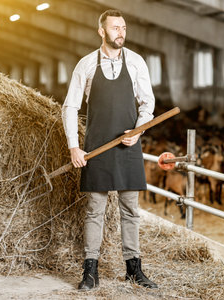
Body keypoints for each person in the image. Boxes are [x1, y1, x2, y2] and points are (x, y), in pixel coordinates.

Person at [61, 9, 157, 290]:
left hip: (128, 146)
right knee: (94, 210)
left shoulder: (137, 62)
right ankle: (90, 270)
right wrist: (74, 147)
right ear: (101, 31)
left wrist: (137, 131)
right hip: (98, 147)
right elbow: (70, 107)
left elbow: (147, 105)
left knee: (130, 209)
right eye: (115, 28)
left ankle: (134, 269)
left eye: (123, 27)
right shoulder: (87, 64)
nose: (121, 32)